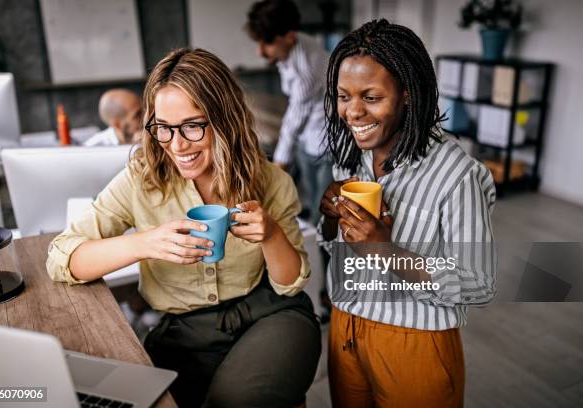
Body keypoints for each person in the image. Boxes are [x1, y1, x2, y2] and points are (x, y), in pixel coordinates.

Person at [47, 48, 321, 408]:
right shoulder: (141, 180)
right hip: (184, 334)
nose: (176, 145)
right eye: (163, 127)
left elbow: (289, 285)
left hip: (271, 316)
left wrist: (271, 236)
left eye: (192, 126)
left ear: (224, 119)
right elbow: (60, 257)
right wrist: (143, 244)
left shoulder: (270, 181)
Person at [319, 20, 496, 407]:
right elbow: (341, 250)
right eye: (343, 96)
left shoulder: (457, 176)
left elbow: (479, 284)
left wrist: (386, 251)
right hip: (345, 328)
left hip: (414, 341)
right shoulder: (353, 153)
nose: (352, 112)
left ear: (407, 95)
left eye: (371, 97)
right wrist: (331, 217)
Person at [246, 0, 332, 224]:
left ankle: (323, 252)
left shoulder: (308, 69)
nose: (260, 51)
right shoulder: (291, 47)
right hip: (307, 138)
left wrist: (278, 168)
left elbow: (293, 123)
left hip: (327, 146)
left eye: (267, 44)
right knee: (310, 201)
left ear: (290, 36)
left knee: (323, 211)